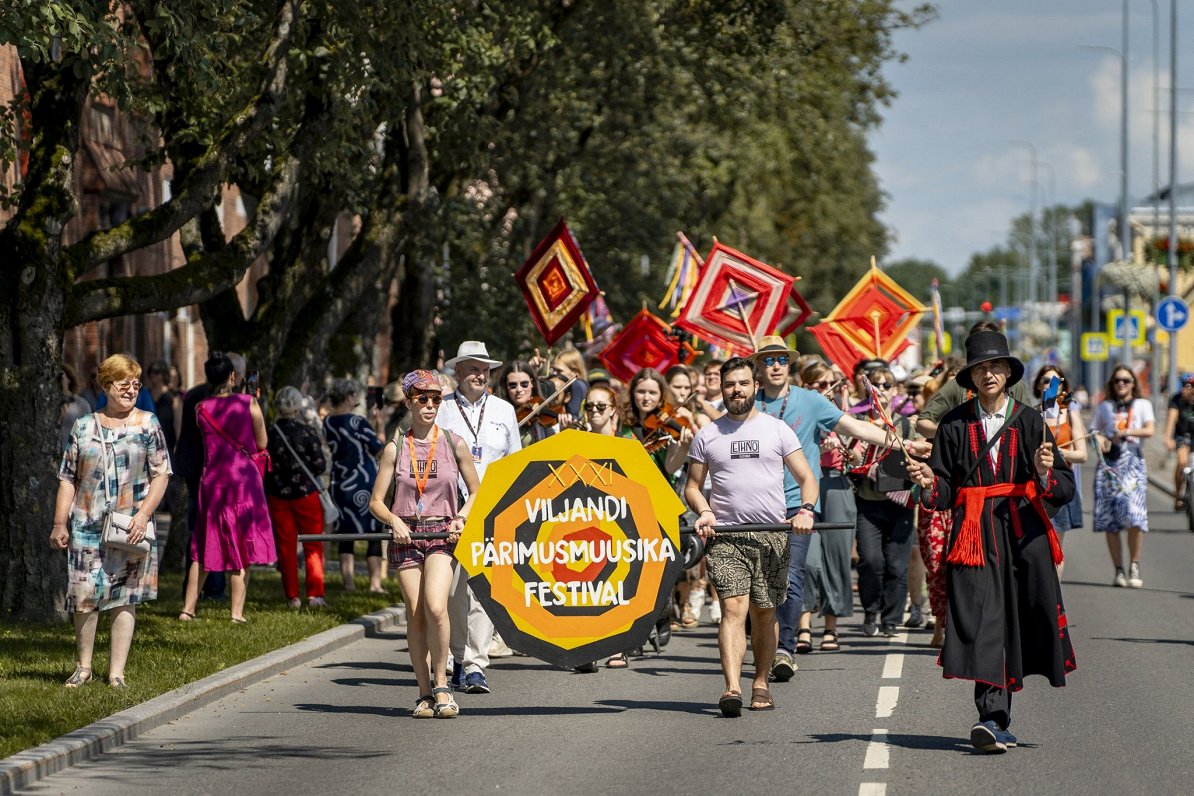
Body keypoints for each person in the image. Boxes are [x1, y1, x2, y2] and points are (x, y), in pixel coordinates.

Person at [906, 329, 1075, 754]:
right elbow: (943, 491)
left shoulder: (1031, 421)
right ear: (971, 377)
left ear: (1008, 373)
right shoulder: (954, 425)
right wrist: (928, 481)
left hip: (1022, 533)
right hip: (975, 535)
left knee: (1020, 618)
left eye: (996, 366)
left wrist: (1042, 471)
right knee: (983, 621)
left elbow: (1064, 487)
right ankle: (990, 718)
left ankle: (1002, 717)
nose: (989, 374)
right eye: (981, 368)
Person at [748, 336, 929, 681]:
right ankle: (765, 645)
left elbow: (856, 427)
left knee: (793, 572)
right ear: (758, 366)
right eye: (768, 360)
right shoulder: (748, 405)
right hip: (755, 506)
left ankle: (784, 649)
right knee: (761, 583)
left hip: (798, 503)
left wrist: (903, 443)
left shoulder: (811, 401)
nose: (775, 366)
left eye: (781, 360)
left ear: (790, 366)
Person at [685, 357, 819, 716]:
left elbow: (807, 478)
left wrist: (805, 510)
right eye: (730, 385)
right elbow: (693, 488)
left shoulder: (777, 430)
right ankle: (731, 687)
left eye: (743, 383)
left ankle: (760, 682)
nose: (736, 390)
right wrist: (706, 511)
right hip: (726, 536)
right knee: (732, 608)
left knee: (764, 613)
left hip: (772, 535)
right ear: (723, 389)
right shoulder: (708, 435)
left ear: (755, 386)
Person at [51, 354, 171, 688]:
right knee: (84, 595)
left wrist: (143, 515)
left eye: (136, 384)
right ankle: (84, 666)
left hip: (130, 525)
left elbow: (161, 474)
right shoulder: (84, 425)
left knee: (126, 597)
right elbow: (67, 479)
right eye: (124, 384)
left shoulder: (148, 424)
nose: (132, 390)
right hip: (86, 524)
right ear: (106, 386)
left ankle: (116, 672)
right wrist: (60, 522)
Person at [371, 370, 481, 718]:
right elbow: (376, 501)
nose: (430, 405)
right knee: (416, 614)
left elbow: (478, 492)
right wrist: (394, 520)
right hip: (407, 536)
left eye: (436, 399)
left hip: (442, 534)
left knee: (436, 606)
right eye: (423, 399)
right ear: (409, 402)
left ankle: (442, 684)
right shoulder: (395, 448)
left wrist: (461, 517)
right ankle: (423, 693)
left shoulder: (453, 442)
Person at [438, 341, 521, 694]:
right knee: (454, 592)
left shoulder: (504, 410)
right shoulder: (440, 409)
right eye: (472, 368)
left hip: (493, 511)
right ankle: (457, 657)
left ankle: (475, 664)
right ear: (457, 373)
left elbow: (516, 463)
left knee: (484, 591)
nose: (479, 374)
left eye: (484, 369)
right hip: (450, 510)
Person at [179, 352, 274, 623]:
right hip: (243, 480)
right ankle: (236, 613)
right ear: (233, 376)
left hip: (212, 481)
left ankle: (188, 608)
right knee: (241, 544)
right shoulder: (249, 403)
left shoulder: (201, 408)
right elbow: (262, 442)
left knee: (203, 542)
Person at [848, 365, 917, 638]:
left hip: (900, 502)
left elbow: (919, 456)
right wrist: (854, 454)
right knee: (871, 561)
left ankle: (891, 618)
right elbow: (849, 459)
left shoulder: (906, 422)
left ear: (896, 390)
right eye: (875, 384)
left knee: (897, 564)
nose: (882, 390)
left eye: (887, 385)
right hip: (868, 500)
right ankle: (870, 610)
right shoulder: (858, 422)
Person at [793, 361, 857, 654]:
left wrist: (852, 451)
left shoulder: (841, 409)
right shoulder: (799, 410)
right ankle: (803, 623)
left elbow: (857, 449)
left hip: (836, 482)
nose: (824, 390)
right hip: (805, 484)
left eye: (828, 383)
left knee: (837, 557)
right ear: (806, 387)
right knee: (806, 559)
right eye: (818, 385)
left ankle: (831, 627)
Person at [1091, 366, 1155, 588]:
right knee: (1110, 519)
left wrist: (1127, 432)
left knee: (1135, 515)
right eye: (1118, 380)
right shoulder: (1105, 407)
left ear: (1133, 383)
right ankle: (1118, 569)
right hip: (1109, 464)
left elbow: (1149, 429)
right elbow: (1094, 432)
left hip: (1133, 463)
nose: (1122, 384)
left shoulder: (1142, 405)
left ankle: (1134, 564)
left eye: (1126, 380)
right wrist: (1100, 440)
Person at [266, 386, 330, 608]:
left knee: (286, 546)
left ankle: (292, 596)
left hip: (278, 496)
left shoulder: (270, 434)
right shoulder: (307, 432)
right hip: (306, 494)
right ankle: (315, 594)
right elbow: (320, 464)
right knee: (313, 544)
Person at [324, 378, 386, 593]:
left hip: (339, 483)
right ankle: (375, 584)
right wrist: (380, 424)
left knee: (345, 534)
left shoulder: (328, 423)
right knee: (374, 532)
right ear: (350, 397)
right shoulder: (357, 422)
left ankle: (348, 583)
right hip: (363, 482)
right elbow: (378, 448)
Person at [1031, 364, 1088, 577]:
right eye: (1046, 380)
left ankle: (1055, 603)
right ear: (1038, 384)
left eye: (1056, 381)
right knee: (1037, 546)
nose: (1050, 385)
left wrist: (1057, 454)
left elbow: (1082, 455)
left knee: (1054, 547)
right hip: (1036, 487)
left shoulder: (1070, 413)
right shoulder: (1033, 414)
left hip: (1060, 485)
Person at [1163, 374, 1194, 511]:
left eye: (1190, 386)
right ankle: (1178, 494)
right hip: (1182, 436)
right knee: (1182, 462)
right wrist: (1168, 438)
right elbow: (1171, 420)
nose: (1186, 389)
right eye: (1185, 386)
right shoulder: (1176, 399)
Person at [58, 363, 94, 452]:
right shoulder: (47, 405)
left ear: (69, 379)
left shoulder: (81, 404)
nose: (58, 381)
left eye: (61, 377)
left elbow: (89, 433)